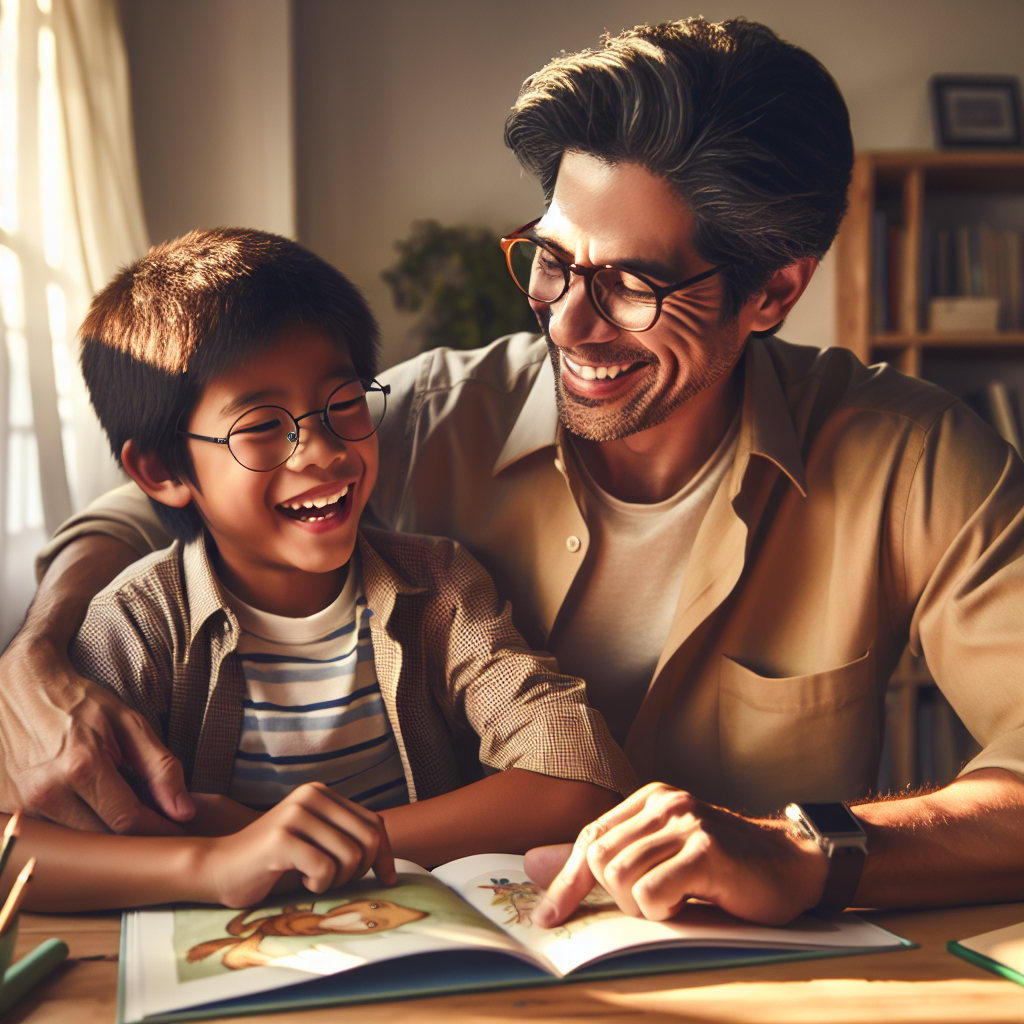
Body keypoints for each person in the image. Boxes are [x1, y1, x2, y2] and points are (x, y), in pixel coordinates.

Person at [1, 18, 1021, 923]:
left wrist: (809, 851)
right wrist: (38, 655)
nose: (565, 322)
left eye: (630, 284)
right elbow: (165, 495)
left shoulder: (914, 456)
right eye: (551, 258)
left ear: (773, 292)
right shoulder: (429, 415)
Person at [0, 228, 633, 913]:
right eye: (262, 425)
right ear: (162, 471)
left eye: (343, 404)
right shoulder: (135, 624)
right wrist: (215, 862)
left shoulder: (441, 586)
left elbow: (580, 776)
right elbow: (15, 845)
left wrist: (309, 848)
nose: (323, 451)